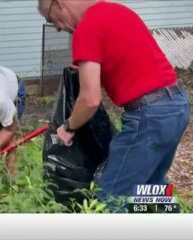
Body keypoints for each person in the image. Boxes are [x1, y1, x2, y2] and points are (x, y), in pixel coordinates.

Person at [38, 0, 190, 201]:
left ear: (57, 4)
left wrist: (68, 127)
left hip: (149, 116)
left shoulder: (86, 28)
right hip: (176, 106)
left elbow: (90, 100)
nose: (57, 27)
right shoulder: (118, 11)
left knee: (110, 195)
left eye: (51, 19)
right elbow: (127, 64)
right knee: (150, 186)